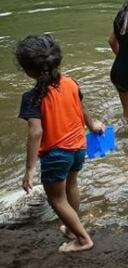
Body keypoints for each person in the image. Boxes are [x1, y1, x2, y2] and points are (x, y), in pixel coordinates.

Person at [17, 34, 104, 253]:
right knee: (71, 185)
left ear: (28, 70)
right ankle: (71, 227)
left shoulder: (32, 97)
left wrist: (29, 169)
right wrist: (92, 126)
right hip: (78, 148)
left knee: (56, 198)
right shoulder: (71, 82)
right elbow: (82, 108)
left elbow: (36, 131)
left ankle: (83, 239)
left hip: (56, 154)